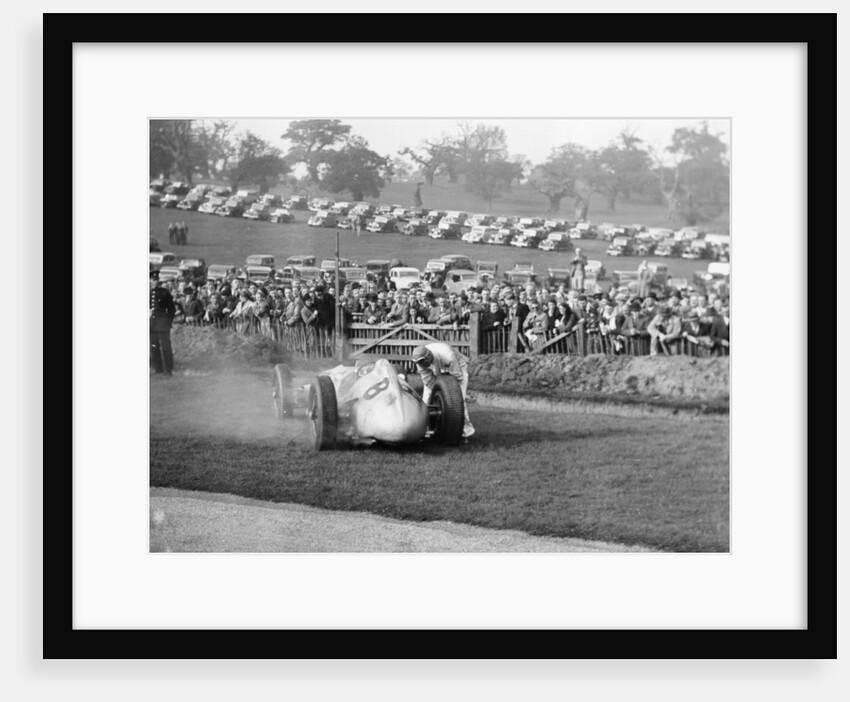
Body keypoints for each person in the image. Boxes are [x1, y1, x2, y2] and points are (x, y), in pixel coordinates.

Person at [411, 342, 475, 440]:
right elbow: (429, 381)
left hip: (458, 368)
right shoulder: (420, 361)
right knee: (426, 399)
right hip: (437, 369)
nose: (421, 364)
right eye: (419, 362)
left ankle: (465, 432)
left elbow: (457, 377)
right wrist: (436, 397)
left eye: (422, 361)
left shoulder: (447, 355)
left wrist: (449, 396)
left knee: (459, 401)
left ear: (428, 357)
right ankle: (424, 429)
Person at [150, 270, 176, 375]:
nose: (154, 282)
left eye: (156, 280)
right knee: (153, 346)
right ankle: (157, 368)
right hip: (151, 324)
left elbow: (171, 309)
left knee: (166, 346)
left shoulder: (164, 293)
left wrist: (168, 320)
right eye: (152, 280)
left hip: (163, 324)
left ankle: (168, 368)